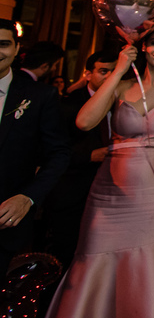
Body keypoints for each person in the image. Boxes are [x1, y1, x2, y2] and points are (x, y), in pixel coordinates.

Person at [48, 19, 154, 318]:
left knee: (148, 256)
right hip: (111, 188)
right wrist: (118, 70)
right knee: (95, 250)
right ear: (143, 46)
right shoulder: (122, 85)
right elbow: (84, 122)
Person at [0, 19, 70, 273]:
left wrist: (28, 197)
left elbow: (59, 154)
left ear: (17, 48)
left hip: (5, 219)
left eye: (3, 44)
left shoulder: (39, 96)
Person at [41, 49, 116, 265]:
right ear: (88, 74)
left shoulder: (123, 101)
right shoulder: (68, 103)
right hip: (74, 186)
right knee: (67, 250)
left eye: (114, 72)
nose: (109, 77)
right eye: (103, 71)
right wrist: (89, 155)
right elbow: (49, 148)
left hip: (113, 187)